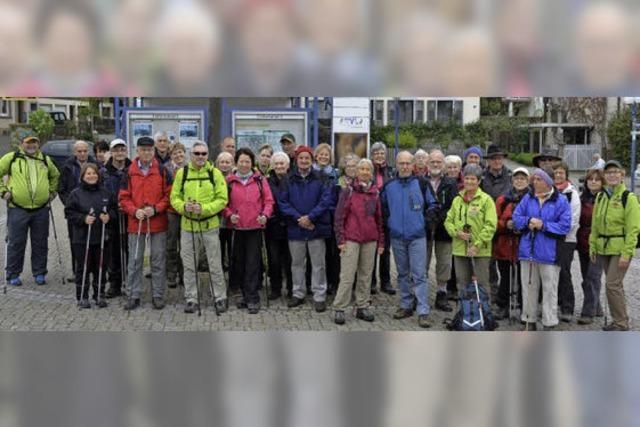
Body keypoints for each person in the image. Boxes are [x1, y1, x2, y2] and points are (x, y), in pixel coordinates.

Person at [171, 140, 228, 314]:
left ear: (208, 155)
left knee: (214, 263)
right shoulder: (182, 173)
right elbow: (174, 198)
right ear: (191, 155)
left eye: (204, 153)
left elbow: (222, 199)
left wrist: (204, 209)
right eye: (197, 153)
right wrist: (183, 207)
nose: (200, 156)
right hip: (188, 227)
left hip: (210, 225)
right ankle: (191, 298)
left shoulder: (215, 173)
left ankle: (219, 297)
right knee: (188, 264)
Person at [513, 168, 571, 331]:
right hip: (528, 251)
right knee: (528, 287)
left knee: (550, 289)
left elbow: (565, 226)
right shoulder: (528, 197)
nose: (534, 182)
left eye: (539, 179)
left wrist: (543, 225)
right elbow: (516, 218)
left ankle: (549, 322)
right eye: (534, 179)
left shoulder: (560, 200)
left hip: (550, 253)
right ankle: (529, 320)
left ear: (548, 182)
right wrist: (529, 220)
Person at [278, 145, 334, 312]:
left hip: (315, 227)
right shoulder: (288, 179)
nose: (304, 161)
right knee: (297, 264)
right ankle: (298, 293)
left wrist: (310, 217)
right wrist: (299, 218)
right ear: (296, 160)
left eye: (307, 158)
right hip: (296, 228)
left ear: (312, 160)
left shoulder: (321, 178)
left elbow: (325, 201)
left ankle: (319, 296)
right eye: (301, 158)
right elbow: (282, 202)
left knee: (318, 264)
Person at [119, 136, 172, 311]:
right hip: (136, 222)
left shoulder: (163, 170)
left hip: (158, 222)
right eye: (143, 149)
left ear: (153, 151)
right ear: (137, 151)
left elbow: (169, 196)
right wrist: (135, 210)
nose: (147, 152)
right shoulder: (129, 171)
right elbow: (123, 198)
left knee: (157, 260)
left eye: (150, 149)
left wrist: (156, 209)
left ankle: (157, 295)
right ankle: (133, 295)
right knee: (135, 261)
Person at [0, 135, 59, 286]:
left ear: (38, 144)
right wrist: (3, 191)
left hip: (41, 210)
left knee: (40, 242)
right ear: (22, 144)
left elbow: (55, 176)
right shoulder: (12, 158)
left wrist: (51, 193)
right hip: (17, 208)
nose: (31, 145)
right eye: (28, 143)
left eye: (34, 143)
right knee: (16, 242)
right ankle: (13, 273)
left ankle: (39, 273)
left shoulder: (45, 159)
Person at [383, 151, 432, 328]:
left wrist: (422, 224)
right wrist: (391, 224)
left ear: (413, 165)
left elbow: (433, 206)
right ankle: (405, 305)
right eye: (401, 163)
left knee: (419, 275)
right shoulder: (389, 185)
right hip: (397, 237)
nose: (404, 166)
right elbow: (383, 208)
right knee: (402, 273)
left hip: (417, 237)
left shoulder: (422, 183)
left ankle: (423, 310)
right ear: (396, 165)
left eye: (407, 163)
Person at [589, 160, 640, 331]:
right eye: (608, 172)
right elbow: (595, 225)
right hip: (604, 248)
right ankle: (619, 319)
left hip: (620, 249)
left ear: (622, 174)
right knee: (615, 285)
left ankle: (621, 323)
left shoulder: (629, 198)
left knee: (612, 284)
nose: (611, 175)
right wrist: (592, 246)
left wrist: (627, 253)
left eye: (615, 172)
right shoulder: (601, 196)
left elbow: (634, 229)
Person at [222, 148, 274, 314]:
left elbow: (269, 201)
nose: (244, 164)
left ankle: (252, 297)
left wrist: (265, 215)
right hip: (237, 228)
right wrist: (229, 215)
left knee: (253, 263)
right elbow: (223, 202)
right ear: (236, 163)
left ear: (252, 163)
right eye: (241, 161)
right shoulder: (229, 181)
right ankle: (243, 294)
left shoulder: (260, 180)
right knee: (238, 262)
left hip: (255, 227)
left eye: (247, 161)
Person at [333, 159, 384, 325]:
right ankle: (340, 308)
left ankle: (362, 306)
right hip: (351, 239)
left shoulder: (375, 193)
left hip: (370, 240)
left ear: (371, 172)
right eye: (361, 168)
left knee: (366, 275)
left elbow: (379, 219)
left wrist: (381, 241)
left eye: (367, 169)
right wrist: (340, 239)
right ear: (356, 172)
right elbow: (339, 217)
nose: (364, 171)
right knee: (347, 275)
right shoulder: (348, 191)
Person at [64, 163, 117, 308]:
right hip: (82, 238)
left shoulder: (106, 193)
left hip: (101, 237)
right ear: (82, 176)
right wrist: (83, 219)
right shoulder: (75, 193)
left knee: (101, 266)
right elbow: (69, 213)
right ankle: (82, 295)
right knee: (83, 268)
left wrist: (109, 217)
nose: (92, 176)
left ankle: (99, 294)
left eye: (94, 173)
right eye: (88, 173)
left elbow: (114, 210)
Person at [444, 164, 497, 305]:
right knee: (462, 284)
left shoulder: (486, 200)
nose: (469, 182)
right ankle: (464, 314)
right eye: (467, 178)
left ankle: (484, 314)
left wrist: (477, 245)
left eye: (473, 179)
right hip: (460, 249)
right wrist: (456, 233)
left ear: (479, 181)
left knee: (482, 284)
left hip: (480, 250)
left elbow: (490, 225)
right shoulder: (457, 200)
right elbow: (448, 221)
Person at [492, 167, 530, 320]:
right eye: (517, 178)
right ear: (512, 180)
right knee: (506, 277)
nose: (519, 181)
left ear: (528, 181)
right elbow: (494, 220)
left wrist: (522, 224)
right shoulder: (502, 199)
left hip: (524, 244)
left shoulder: (532, 198)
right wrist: (506, 224)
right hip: (505, 244)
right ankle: (503, 306)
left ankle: (524, 307)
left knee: (524, 278)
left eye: (523, 178)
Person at [424, 149, 458, 312]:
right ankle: (420, 294)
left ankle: (441, 294)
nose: (436, 164)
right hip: (424, 230)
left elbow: (453, 207)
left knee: (444, 263)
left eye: (438, 162)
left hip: (444, 230)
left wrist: (438, 218)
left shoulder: (451, 183)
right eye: (433, 162)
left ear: (443, 164)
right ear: (427, 164)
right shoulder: (420, 181)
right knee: (422, 262)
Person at [59, 140, 96, 282]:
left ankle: (93, 269)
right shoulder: (67, 166)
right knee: (76, 241)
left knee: (94, 240)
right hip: (75, 212)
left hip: (92, 210)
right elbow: (61, 189)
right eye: (79, 151)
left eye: (85, 150)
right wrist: (70, 204)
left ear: (88, 151)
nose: (82, 153)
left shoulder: (95, 165)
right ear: (75, 152)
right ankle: (77, 270)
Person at [481, 144, 512, 304]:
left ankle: (505, 294)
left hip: (504, 225)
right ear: (489, 161)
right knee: (489, 262)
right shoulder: (482, 177)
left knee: (504, 262)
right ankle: (493, 290)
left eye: (499, 158)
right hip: (486, 224)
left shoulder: (511, 177)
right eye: (493, 158)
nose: (497, 161)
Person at [102, 138, 132, 298]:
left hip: (130, 215)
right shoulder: (104, 172)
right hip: (111, 216)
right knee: (112, 251)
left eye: (122, 150)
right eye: (116, 150)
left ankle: (129, 281)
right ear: (111, 152)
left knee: (129, 249)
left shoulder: (133, 169)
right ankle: (114, 283)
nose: (119, 153)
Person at [553, 161, 581, 323]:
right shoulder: (550, 191)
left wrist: (556, 230)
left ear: (566, 174)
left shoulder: (572, 193)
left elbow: (573, 219)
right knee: (551, 273)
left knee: (564, 272)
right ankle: (556, 303)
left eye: (561, 173)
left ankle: (567, 307)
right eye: (556, 172)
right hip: (550, 237)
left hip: (566, 239)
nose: (558, 175)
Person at [576, 168, 605, 325]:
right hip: (583, 241)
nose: (593, 181)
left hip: (599, 243)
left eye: (597, 179)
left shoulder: (606, 199)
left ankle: (588, 312)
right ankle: (597, 306)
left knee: (592, 277)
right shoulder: (581, 199)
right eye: (590, 179)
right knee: (586, 275)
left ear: (602, 183)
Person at [265, 152, 293, 299]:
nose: (279, 166)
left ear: (288, 166)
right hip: (273, 225)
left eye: (282, 163)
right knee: (274, 259)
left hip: (290, 225)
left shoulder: (293, 180)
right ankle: (275, 288)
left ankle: (291, 288)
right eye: (276, 164)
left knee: (290, 259)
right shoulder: (267, 181)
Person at [314, 142, 340, 294]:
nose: (323, 157)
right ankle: (315, 284)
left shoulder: (335, 174)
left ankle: (332, 282)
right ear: (316, 156)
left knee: (332, 253)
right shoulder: (310, 172)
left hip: (331, 217)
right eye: (321, 154)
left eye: (326, 154)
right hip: (315, 217)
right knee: (316, 254)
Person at [370, 141, 395, 295]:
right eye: (376, 153)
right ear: (372, 155)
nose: (379, 155)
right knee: (371, 251)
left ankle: (385, 282)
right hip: (370, 215)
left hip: (386, 215)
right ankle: (371, 282)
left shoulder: (391, 172)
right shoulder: (367, 169)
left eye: (381, 153)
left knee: (385, 250)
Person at [165, 142, 187, 288]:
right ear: (170, 155)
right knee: (171, 244)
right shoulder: (166, 169)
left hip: (186, 211)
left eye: (181, 152)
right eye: (175, 153)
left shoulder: (189, 168)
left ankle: (184, 275)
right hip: (172, 211)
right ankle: (171, 274)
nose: (178, 156)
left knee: (185, 246)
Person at [216, 151, 235, 284]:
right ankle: (220, 279)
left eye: (227, 162)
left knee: (233, 252)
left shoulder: (236, 178)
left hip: (232, 220)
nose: (224, 165)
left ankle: (233, 279)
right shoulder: (213, 177)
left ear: (232, 163)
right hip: (217, 221)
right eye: (222, 162)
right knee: (219, 252)